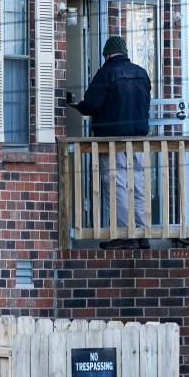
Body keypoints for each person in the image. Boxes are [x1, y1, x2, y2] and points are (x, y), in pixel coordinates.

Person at [69, 35, 151, 249]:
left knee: (117, 185)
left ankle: (124, 234)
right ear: (125, 52)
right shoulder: (141, 74)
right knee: (138, 185)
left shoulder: (107, 72)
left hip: (112, 141)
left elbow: (92, 104)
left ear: (107, 53)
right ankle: (142, 233)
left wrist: (77, 106)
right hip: (139, 140)